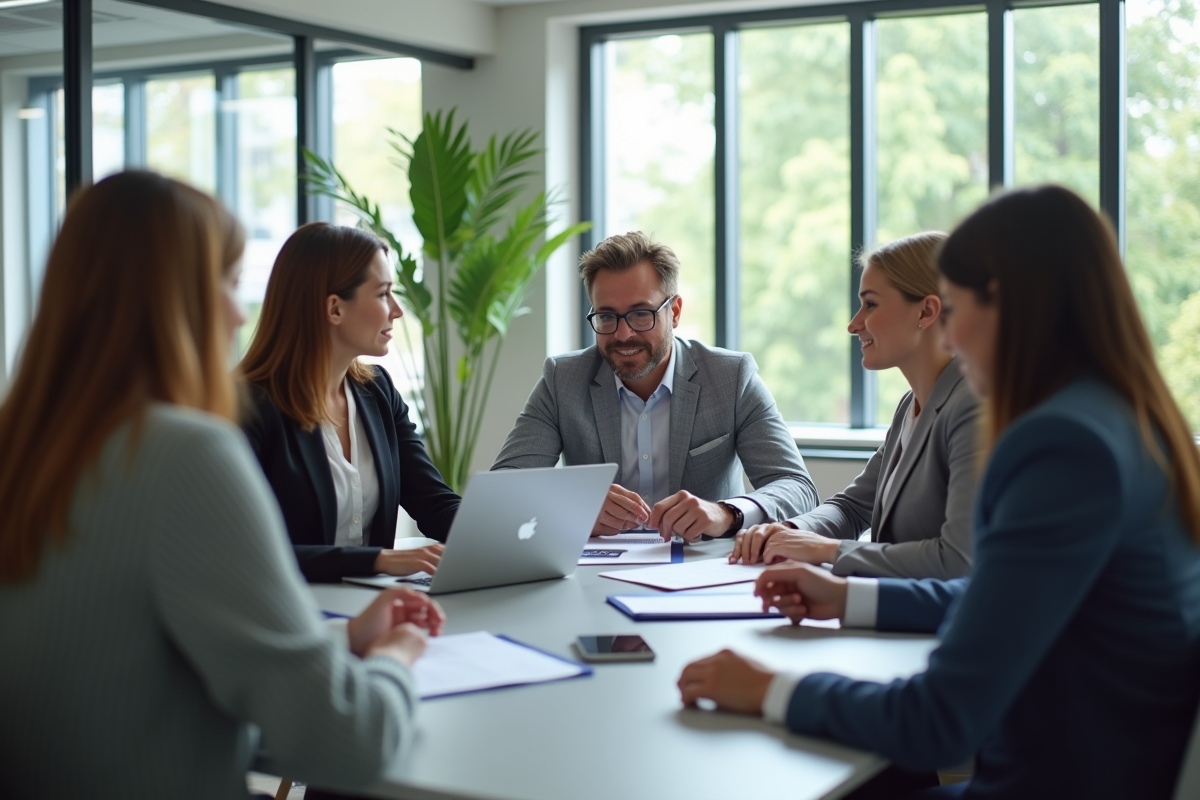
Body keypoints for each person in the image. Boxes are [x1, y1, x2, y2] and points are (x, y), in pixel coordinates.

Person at [677, 185, 1200, 799]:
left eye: (952, 307)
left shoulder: (1060, 447)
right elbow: (1004, 599)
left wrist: (768, 689)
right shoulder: (1124, 420)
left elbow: (938, 722)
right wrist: (847, 600)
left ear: (1004, 302)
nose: (947, 336)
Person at [0, 171, 444, 799]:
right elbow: (348, 740)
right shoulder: (186, 454)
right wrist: (396, 655)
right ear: (170, 301)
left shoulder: (24, 449)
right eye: (230, 284)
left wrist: (341, 637)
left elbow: (140, 670)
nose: (240, 311)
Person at [492, 231, 818, 541]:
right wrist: (574, 506)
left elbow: (798, 488)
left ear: (674, 312)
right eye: (607, 317)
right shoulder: (562, 380)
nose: (622, 335)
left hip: (703, 573)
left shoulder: (731, 377)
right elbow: (502, 491)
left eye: (640, 314)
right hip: (593, 575)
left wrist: (726, 513)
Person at [730, 232, 978, 579]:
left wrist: (826, 550)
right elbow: (850, 508)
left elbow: (957, 560)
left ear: (927, 310)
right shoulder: (912, 405)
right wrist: (788, 531)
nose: (853, 324)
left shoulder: (974, 408)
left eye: (871, 304)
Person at [239, 223, 459, 583]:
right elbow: (246, 550)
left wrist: (511, 532)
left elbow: (434, 503)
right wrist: (377, 561)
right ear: (334, 309)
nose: (397, 310)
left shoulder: (377, 391)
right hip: (289, 612)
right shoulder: (249, 406)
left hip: (372, 607)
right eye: (384, 294)